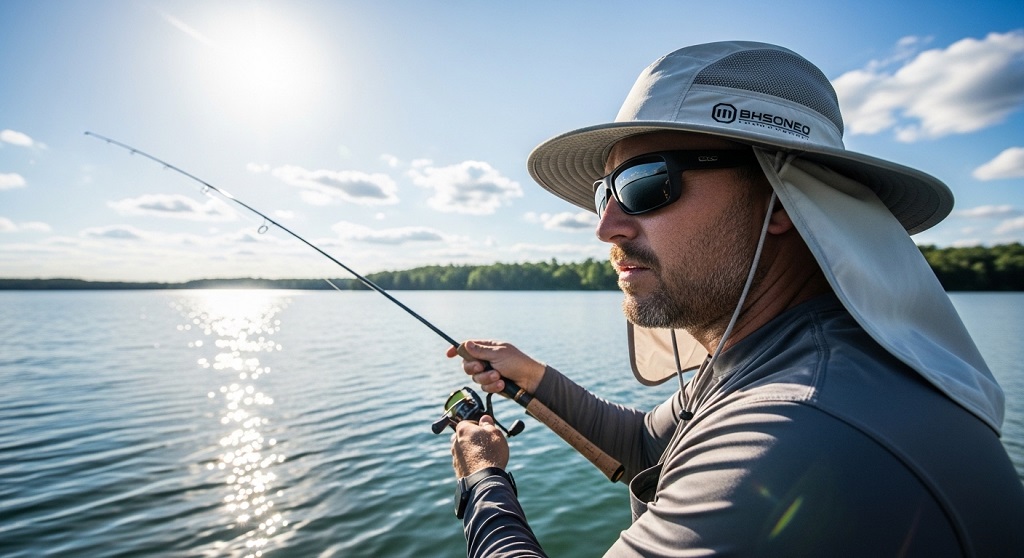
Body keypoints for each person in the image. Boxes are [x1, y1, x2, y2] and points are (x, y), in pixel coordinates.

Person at [447, 41, 1024, 557]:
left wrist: (483, 481)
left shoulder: (797, 428)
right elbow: (648, 445)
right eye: (605, 194)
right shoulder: (772, 352)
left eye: (645, 183)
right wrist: (528, 377)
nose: (607, 227)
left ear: (779, 199)